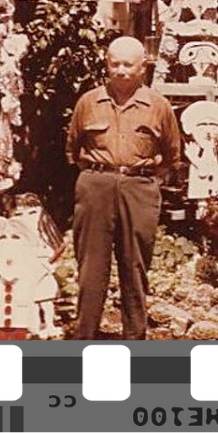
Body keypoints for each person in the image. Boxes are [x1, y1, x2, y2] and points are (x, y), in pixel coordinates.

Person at [66, 36, 182, 340]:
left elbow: (172, 155)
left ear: (142, 66)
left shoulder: (158, 106)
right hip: (95, 185)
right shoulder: (88, 102)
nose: (121, 70)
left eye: (128, 64)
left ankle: (135, 339)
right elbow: (73, 148)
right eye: (114, 63)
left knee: (134, 264)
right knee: (91, 267)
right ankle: (84, 337)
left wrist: (144, 178)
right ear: (106, 64)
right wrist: (101, 175)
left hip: (139, 187)